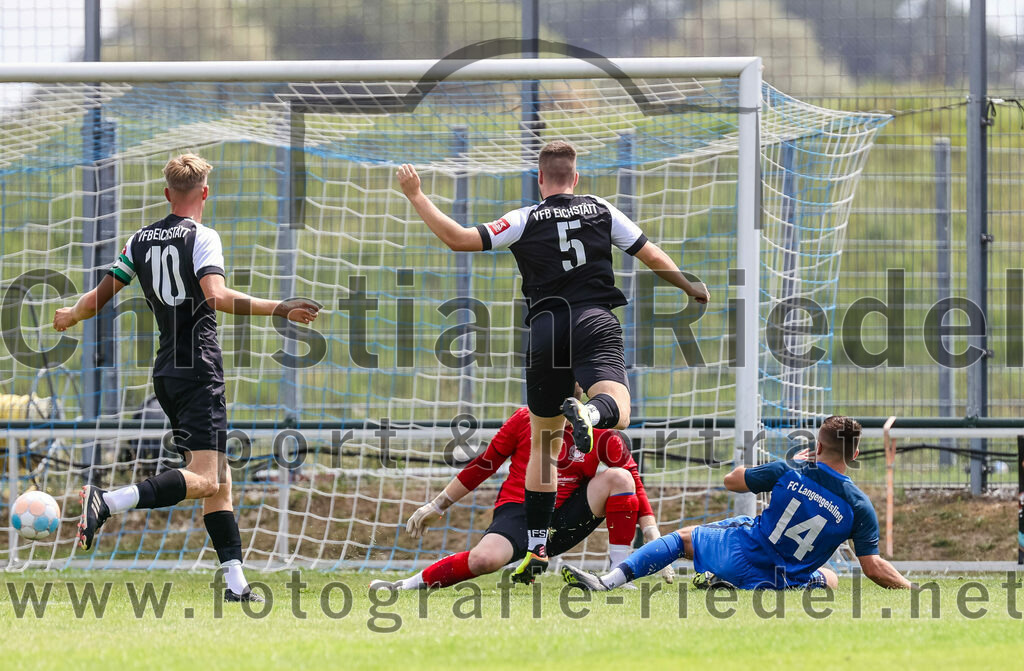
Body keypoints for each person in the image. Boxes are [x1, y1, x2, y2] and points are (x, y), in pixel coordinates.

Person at [397, 140, 709, 582]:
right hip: (593, 320)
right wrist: (688, 285)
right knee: (617, 408)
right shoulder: (601, 209)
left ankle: (538, 546)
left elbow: (459, 239)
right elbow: (650, 254)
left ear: (540, 180)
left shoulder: (524, 218)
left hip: (544, 331)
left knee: (544, 443)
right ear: (576, 178)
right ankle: (588, 411)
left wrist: (416, 195)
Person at [53, 154, 320, 602]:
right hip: (199, 367)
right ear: (205, 193)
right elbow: (214, 296)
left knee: (220, 477)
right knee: (207, 479)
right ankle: (109, 501)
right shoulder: (203, 236)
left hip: (166, 370)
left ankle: (235, 584)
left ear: (166, 194)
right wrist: (278, 308)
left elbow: (99, 296)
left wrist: (71, 314)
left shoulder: (140, 239)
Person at [561, 416, 913, 591]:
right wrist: (911, 589)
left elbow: (732, 481)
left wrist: (789, 460)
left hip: (744, 552)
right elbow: (873, 567)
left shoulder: (788, 470)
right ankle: (727, 580)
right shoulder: (859, 506)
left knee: (682, 539)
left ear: (817, 447)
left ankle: (609, 580)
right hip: (783, 580)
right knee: (832, 579)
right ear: (853, 454)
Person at [369, 404, 674, 591]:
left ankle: (619, 576)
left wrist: (654, 539)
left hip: (566, 517)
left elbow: (634, 480)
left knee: (619, 477)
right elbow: (484, 464)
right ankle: (406, 585)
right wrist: (437, 504)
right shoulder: (524, 419)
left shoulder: (601, 429)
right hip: (520, 512)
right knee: (485, 559)